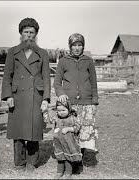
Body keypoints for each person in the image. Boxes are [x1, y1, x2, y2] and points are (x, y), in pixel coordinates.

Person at [1, 17, 51, 172]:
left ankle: (31, 162)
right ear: (20, 34)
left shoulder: (42, 53)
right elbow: (7, 76)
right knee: (18, 130)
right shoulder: (12, 52)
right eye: (26, 32)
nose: (29, 35)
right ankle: (19, 163)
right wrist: (8, 95)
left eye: (32, 33)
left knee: (34, 130)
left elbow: (46, 77)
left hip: (35, 96)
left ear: (35, 35)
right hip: (17, 97)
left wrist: (46, 99)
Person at [54, 33, 99, 173]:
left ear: (83, 46)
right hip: (70, 104)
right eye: (74, 45)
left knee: (85, 131)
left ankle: (83, 159)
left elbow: (93, 83)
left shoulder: (88, 61)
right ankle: (71, 161)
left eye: (80, 45)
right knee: (71, 131)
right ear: (70, 46)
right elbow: (56, 83)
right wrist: (61, 94)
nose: (77, 48)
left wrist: (94, 102)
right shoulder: (63, 61)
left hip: (86, 103)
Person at [44, 100, 82, 179]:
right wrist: (45, 111)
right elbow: (48, 120)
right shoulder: (56, 118)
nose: (61, 112)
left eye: (63, 110)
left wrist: (69, 128)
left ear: (69, 109)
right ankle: (59, 172)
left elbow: (77, 127)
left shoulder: (72, 118)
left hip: (69, 142)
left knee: (68, 157)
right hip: (59, 142)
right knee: (60, 157)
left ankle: (68, 172)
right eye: (59, 110)